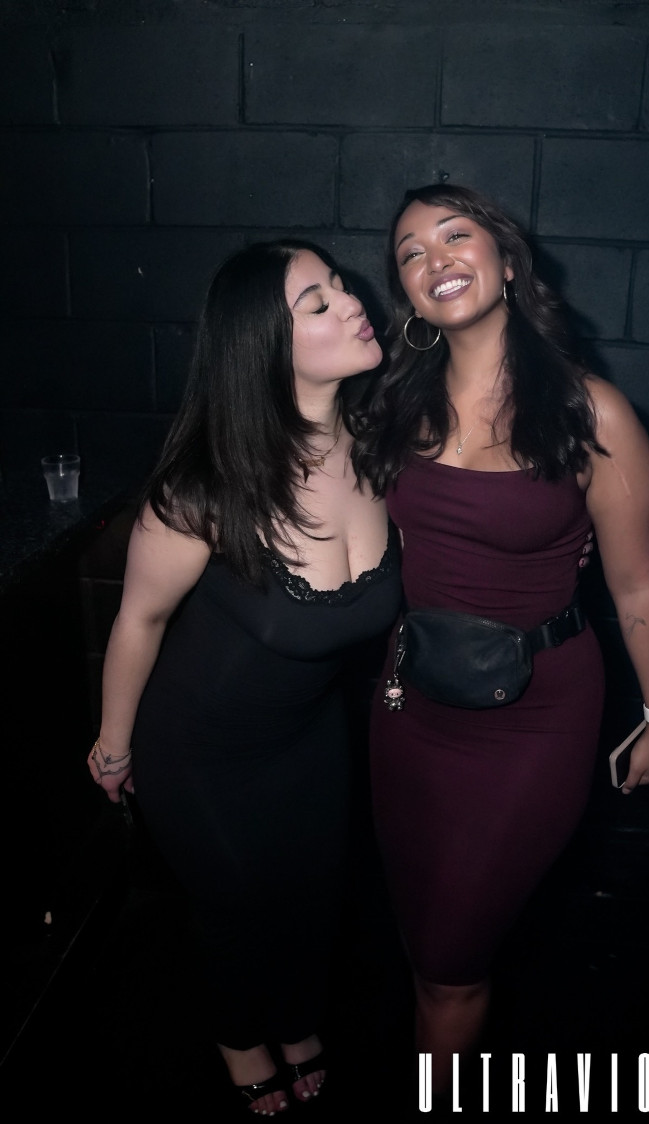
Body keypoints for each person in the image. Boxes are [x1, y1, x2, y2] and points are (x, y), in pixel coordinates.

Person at [352, 183, 649, 1099]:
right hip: (411, 707)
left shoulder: (588, 412)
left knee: (454, 956)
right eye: (411, 253)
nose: (436, 260)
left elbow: (636, 583)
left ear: (505, 259)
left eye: (456, 236)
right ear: (407, 294)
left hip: (535, 715)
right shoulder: (391, 406)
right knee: (423, 935)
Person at [87, 240, 401, 1115]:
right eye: (317, 303)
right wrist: (113, 747)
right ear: (262, 345)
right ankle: (239, 1040)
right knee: (237, 907)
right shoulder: (204, 487)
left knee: (314, 896)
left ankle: (295, 1021)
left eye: (341, 286)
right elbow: (139, 621)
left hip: (308, 737)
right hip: (200, 752)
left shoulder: (381, 452)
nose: (351, 302)